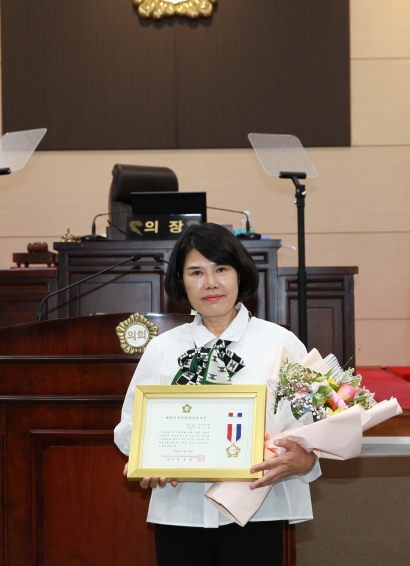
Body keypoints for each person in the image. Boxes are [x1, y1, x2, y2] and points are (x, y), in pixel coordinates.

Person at [114, 223, 320, 566]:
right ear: (181, 281)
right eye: (196, 271)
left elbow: (313, 425)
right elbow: (131, 427)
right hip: (181, 508)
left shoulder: (280, 343)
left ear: (240, 274)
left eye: (221, 269)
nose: (210, 282)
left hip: (257, 508)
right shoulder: (163, 349)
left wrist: (307, 460)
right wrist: (145, 457)